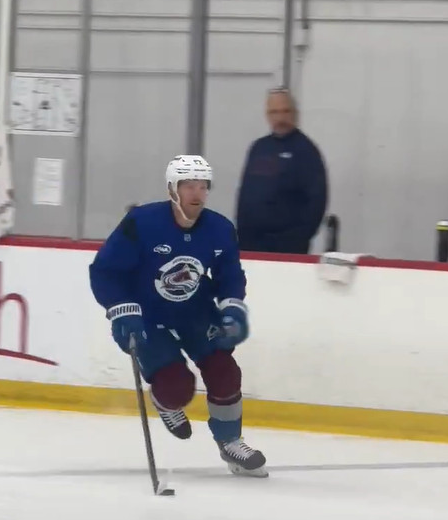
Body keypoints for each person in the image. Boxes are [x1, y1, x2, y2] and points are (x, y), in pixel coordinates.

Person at [88, 154, 265, 477]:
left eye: (202, 186)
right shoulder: (142, 223)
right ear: (172, 189)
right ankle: (166, 403)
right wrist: (122, 311)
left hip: (195, 312)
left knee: (224, 372)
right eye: (188, 186)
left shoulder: (220, 229)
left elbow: (229, 275)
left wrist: (232, 309)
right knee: (177, 387)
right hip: (146, 317)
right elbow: (105, 271)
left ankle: (231, 443)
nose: (197, 194)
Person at [235, 87, 328, 254]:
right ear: (267, 115)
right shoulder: (259, 148)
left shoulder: (306, 150)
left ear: (294, 113)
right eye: (274, 112)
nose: (280, 118)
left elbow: (317, 201)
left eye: (285, 111)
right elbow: (245, 195)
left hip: (288, 249)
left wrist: (298, 239)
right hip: (251, 244)